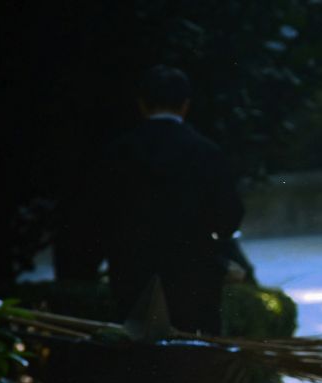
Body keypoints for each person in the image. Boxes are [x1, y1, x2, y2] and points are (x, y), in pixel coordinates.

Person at [57, 64, 250, 335]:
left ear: (142, 105)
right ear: (185, 105)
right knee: (194, 353)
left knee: (140, 353)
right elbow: (229, 216)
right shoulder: (206, 152)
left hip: (133, 275)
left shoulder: (118, 152)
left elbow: (95, 215)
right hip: (193, 275)